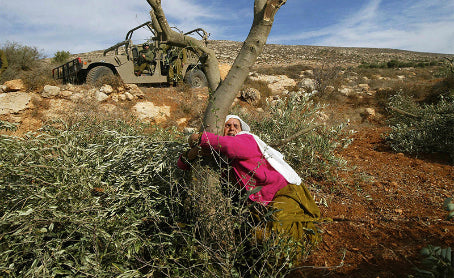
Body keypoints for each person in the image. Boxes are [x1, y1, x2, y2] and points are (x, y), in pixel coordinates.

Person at [178, 115, 322, 244]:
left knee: (280, 236)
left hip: (282, 191)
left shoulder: (246, 139)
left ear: (241, 129)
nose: (232, 128)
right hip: (261, 201)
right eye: (227, 125)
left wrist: (199, 138)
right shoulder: (219, 155)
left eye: (236, 125)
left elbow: (231, 146)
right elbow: (182, 165)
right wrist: (193, 152)